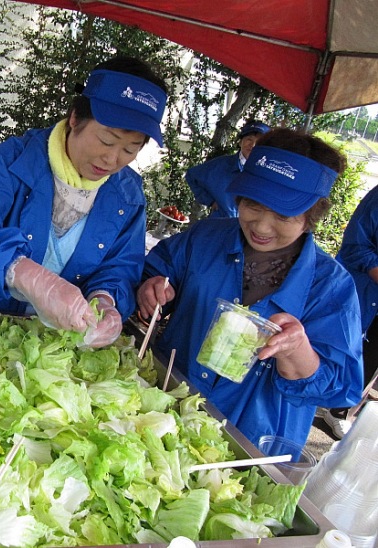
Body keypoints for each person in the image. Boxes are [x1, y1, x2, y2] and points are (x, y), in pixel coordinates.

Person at [0, 57, 168, 347]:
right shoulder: (11, 162)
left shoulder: (128, 196)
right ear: (75, 118)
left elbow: (120, 267)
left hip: (43, 344)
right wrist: (22, 272)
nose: (112, 160)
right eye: (107, 141)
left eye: (129, 149)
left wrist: (106, 299)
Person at [137, 128, 363, 450]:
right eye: (253, 205)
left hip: (250, 445)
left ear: (312, 217)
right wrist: (153, 287)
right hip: (163, 411)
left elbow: (341, 388)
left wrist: (298, 351)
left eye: (283, 215)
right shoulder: (206, 237)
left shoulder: (331, 288)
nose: (261, 225)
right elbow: (158, 269)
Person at [317, 185, 378, 438]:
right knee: (341, 345)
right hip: (363, 292)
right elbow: (356, 245)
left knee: (373, 353)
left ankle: (338, 410)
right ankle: (313, 398)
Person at [186, 120, 270, 219]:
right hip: (219, 228)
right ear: (240, 142)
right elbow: (191, 176)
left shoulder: (267, 174)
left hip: (249, 231)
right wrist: (210, 201)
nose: (253, 145)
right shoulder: (221, 165)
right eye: (249, 139)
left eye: (258, 142)